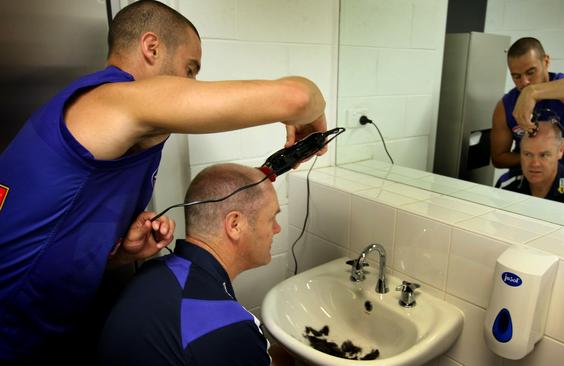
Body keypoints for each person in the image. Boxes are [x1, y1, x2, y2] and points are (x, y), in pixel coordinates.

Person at [0, 0, 326, 361]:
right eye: (190, 69)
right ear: (151, 48)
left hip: (42, 331)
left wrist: (120, 254)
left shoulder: (111, 134)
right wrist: (315, 110)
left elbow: (46, 242)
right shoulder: (112, 101)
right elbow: (298, 97)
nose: (191, 85)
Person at [98, 163, 285, 365]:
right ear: (235, 225)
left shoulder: (155, 270)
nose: (277, 229)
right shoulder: (226, 328)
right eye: (272, 218)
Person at [490, 37, 564, 174]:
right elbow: (498, 159)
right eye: (516, 76)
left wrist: (533, 92)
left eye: (530, 72)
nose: (525, 82)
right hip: (522, 180)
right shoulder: (506, 105)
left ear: (546, 61)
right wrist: (535, 156)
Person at [496, 121, 564, 209]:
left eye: (544, 155)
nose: (535, 164)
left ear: (560, 151)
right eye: (528, 154)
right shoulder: (506, 184)